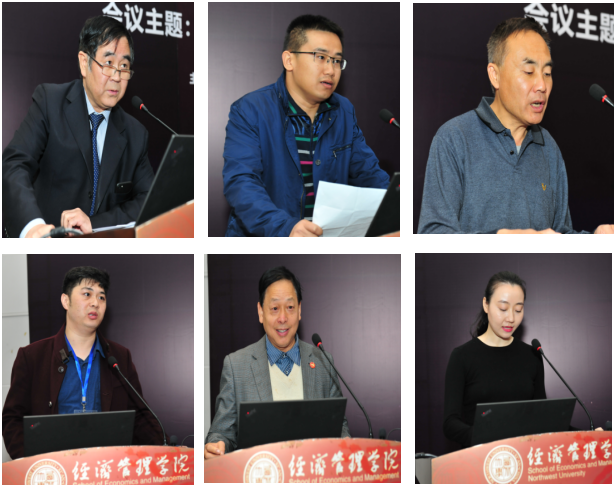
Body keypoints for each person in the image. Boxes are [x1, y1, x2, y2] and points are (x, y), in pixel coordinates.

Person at [418, 17, 613, 234]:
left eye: (547, 73)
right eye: (529, 72)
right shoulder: (454, 138)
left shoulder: (549, 148)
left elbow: (560, 235)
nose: (542, 85)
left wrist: (594, 240)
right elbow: (433, 235)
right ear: (495, 75)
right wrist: (501, 240)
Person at [222, 14, 390, 237]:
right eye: (320, 57)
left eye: (337, 61)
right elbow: (241, 183)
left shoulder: (343, 111)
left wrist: (391, 212)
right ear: (289, 60)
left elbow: (368, 173)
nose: (330, 70)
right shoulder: (250, 110)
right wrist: (285, 227)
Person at [2, 16, 154, 238]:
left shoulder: (135, 133)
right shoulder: (50, 102)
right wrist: (33, 227)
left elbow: (148, 200)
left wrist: (95, 224)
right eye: (108, 63)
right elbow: (15, 165)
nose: (116, 76)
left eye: (124, 66)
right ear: (84, 63)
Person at [2, 266, 164, 459]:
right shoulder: (32, 357)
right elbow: (12, 419)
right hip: (54, 468)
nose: (95, 303)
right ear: (66, 301)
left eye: (101, 297)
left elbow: (142, 418)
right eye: (87, 294)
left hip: (106, 467)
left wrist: (164, 453)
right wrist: (32, 464)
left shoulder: (120, 357)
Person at [443, 271, 603, 449]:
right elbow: (450, 423)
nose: (511, 318)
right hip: (480, 458)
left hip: (525, 457)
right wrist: (482, 435)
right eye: (503, 309)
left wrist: (587, 436)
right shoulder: (462, 356)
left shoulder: (531, 355)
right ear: (486, 304)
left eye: (518, 310)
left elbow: (544, 421)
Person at [205, 266, 351, 459]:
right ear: (260, 312)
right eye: (274, 309)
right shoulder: (236, 366)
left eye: (290, 307)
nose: (283, 318)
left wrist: (346, 443)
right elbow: (221, 432)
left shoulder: (323, 362)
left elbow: (339, 427)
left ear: (299, 310)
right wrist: (217, 445)